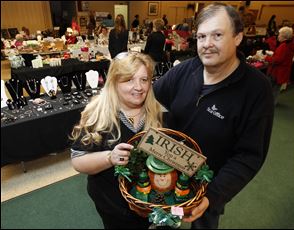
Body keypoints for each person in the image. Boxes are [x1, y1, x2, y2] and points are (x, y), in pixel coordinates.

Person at [153, 3, 274, 228]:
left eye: (217, 35)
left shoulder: (257, 89)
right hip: (167, 173)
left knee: (204, 223)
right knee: (163, 220)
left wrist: (213, 196)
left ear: (238, 37)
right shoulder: (185, 70)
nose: (207, 44)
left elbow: (249, 156)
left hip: (210, 185)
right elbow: (151, 99)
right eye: (201, 36)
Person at [70, 52, 163, 229]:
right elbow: (78, 160)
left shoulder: (155, 111)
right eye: (129, 80)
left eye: (144, 80)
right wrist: (109, 157)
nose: (139, 87)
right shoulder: (98, 114)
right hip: (112, 205)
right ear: (114, 82)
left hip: (148, 201)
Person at [264, 26, 294, 105]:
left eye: (280, 34)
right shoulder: (292, 43)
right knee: (276, 89)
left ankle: (267, 104)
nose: (278, 36)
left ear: (284, 37)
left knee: (269, 88)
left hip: (276, 72)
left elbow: (277, 60)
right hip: (283, 72)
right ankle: (272, 103)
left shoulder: (283, 46)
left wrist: (266, 57)